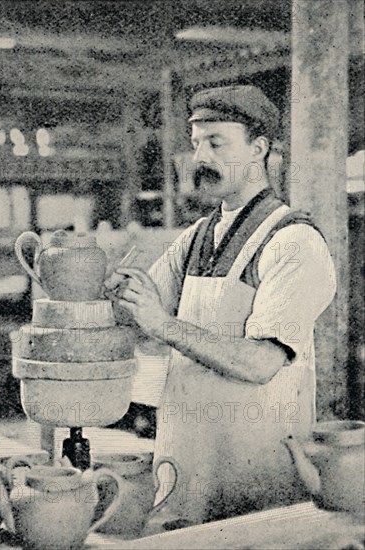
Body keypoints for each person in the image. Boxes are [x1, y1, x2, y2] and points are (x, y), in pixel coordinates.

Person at [104, 85, 337, 527]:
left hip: (258, 472)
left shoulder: (292, 241)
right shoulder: (195, 237)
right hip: (186, 463)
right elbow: (137, 311)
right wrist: (105, 287)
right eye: (196, 145)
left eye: (216, 143)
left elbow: (262, 362)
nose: (201, 159)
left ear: (259, 148)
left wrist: (163, 324)